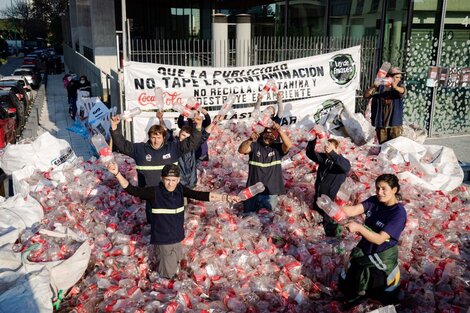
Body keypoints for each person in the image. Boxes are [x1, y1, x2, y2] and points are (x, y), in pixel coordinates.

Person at [107, 163, 240, 278]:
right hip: (163, 241)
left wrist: (225, 197)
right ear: (162, 178)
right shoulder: (154, 192)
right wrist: (117, 173)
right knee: (167, 275)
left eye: (173, 180)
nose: (170, 183)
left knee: (180, 267)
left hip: (177, 238)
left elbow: (200, 195)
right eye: (167, 180)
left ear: (178, 179)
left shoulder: (180, 189)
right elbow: (132, 190)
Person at [110, 111, 202, 223]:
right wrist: (114, 127)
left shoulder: (173, 148)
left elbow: (191, 143)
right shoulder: (140, 150)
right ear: (149, 137)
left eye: (159, 137)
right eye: (153, 137)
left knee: (174, 222)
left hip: (171, 193)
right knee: (154, 224)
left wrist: (198, 125)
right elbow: (122, 144)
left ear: (164, 137)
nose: (156, 141)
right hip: (151, 195)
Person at [338, 174, 407, 307]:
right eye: (377, 188)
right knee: (348, 284)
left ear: (394, 190)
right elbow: (353, 210)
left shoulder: (398, 213)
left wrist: (359, 228)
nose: (379, 192)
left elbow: (380, 239)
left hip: (380, 256)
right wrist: (332, 208)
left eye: (384, 189)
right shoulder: (375, 201)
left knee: (377, 293)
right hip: (365, 249)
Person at [238, 122, 292, 213]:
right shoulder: (255, 146)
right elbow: (241, 150)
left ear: (275, 137)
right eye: (266, 135)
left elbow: (288, 145)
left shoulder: (277, 148)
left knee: (268, 220)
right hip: (252, 192)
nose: (268, 137)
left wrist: (279, 130)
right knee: (248, 218)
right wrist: (250, 139)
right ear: (262, 135)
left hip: (270, 193)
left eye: (271, 136)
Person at [306, 137, 351, 237]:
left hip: (331, 204)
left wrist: (332, 154)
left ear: (338, 149)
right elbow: (310, 153)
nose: (328, 150)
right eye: (327, 147)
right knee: (317, 226)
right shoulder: (324, 159)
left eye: (331, 148)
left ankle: (330, 243)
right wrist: (313, 139)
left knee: (329, 228)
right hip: (319, 199)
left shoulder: (342, 162)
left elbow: (346, 167)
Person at [177, 115, 222, 188]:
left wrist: (214, 122)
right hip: (178, 184)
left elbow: (204, 135)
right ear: (179, 134)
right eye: (183, 135)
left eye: (187, 137)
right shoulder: (173, 145)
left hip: (191, 183)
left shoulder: (191, 146)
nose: (185, 139)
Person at [364, 66, 406, 144]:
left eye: (400, 77)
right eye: (397, 77)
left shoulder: (399, 86)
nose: (399, 79)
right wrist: (374, 86)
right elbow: (366, 95)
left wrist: (395, 87)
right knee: (383, 146)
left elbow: (403, 91)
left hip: (394, 123)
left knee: (395, 146)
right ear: (390, 77)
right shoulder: (380, 86)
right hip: (381, 123)